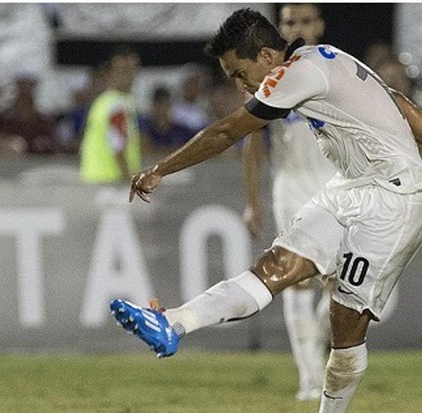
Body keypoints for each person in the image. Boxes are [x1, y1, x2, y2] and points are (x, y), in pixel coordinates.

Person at [110, 9, 422, 413]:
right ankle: (172, 323)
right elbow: (399, 103)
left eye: (239, 73)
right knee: (275, 268)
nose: (241, 84)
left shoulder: (295, 74)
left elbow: (226, 132)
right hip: (349, 187)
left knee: (345, 320)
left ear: (266, 55)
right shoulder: (324, 57)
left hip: (393, 198)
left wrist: (159, 170)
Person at [241, 3, 333, 401]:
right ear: (279, 28)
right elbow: (251, 142)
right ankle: (311, 380)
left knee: (346, 285)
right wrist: (252, 202)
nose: (297, 28)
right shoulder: (269, 80)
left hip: (335, 186)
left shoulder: (336, 70)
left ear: (320, 26)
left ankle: (318, 346)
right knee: (296, 282)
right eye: (290, 22)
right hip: (292, 188)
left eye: (305, 21)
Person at [80, 45, 142, 184]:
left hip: (96, 179)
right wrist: (132, 183)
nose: (129, 75)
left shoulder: (104, 102)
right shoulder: (116, 105)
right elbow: (118, 146)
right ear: (110, 74)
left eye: (132, 69)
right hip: (109, 182)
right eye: (122, 70)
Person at [142, 85, 197, 151]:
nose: (162, 110)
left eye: (166, 105)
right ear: (153, 107)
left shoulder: (182, 131)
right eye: (159, 105)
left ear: (170, 106)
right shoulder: (145, 131)